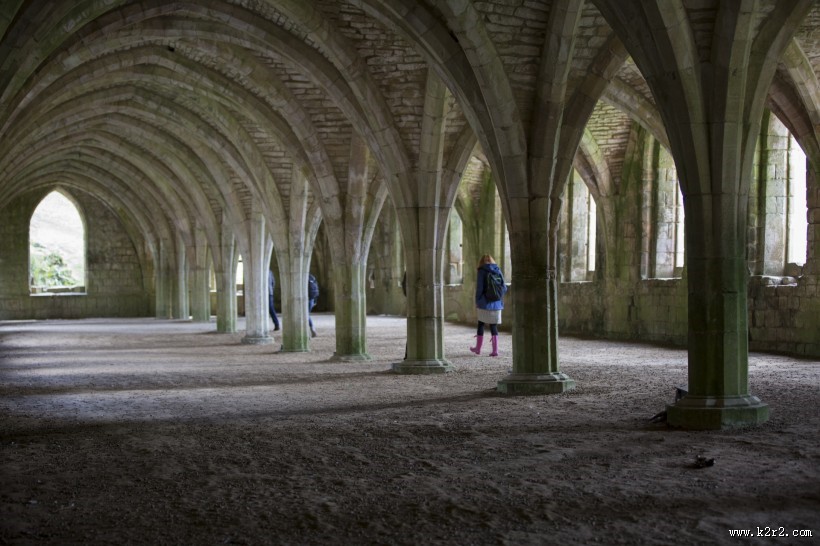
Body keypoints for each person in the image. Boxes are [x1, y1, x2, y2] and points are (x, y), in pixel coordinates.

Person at [470, 254, 507, 357]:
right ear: (492, 260)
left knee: (481, 324)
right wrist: (497, 297)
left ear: (482, 262)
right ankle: (495, 350)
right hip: (496, 303)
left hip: (484, 302)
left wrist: (478, 300)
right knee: (493, 325)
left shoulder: (482, 271)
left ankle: (478, 349)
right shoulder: (497, 269)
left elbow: (480, 288)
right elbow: (504, 287)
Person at [307, 273, 319, 337]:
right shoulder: (312, 277)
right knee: (306, 315)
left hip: (306, 299)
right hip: (312, 299)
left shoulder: (302, 277)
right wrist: (315, 300)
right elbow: (317, 289)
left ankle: (311, 329)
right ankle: (312, 329)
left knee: (305, 315)